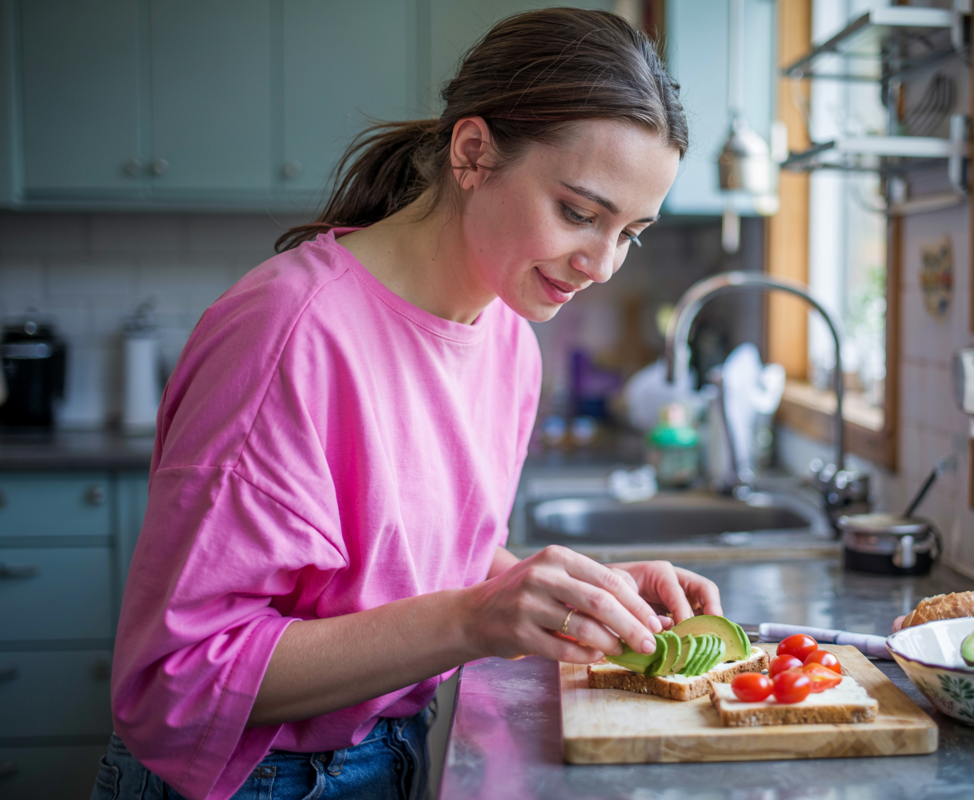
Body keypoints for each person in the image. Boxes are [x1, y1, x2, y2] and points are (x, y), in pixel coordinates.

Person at [94, 9, 721, 799]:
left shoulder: (507, 335)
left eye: (632, 231)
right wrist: (473, 621)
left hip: (389, 754)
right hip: (253, 780)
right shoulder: (288, 335)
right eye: (578, 213)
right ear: (472, 153)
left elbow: (408, 567)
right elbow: (176, 683)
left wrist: (567, 598)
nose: (602, 264)